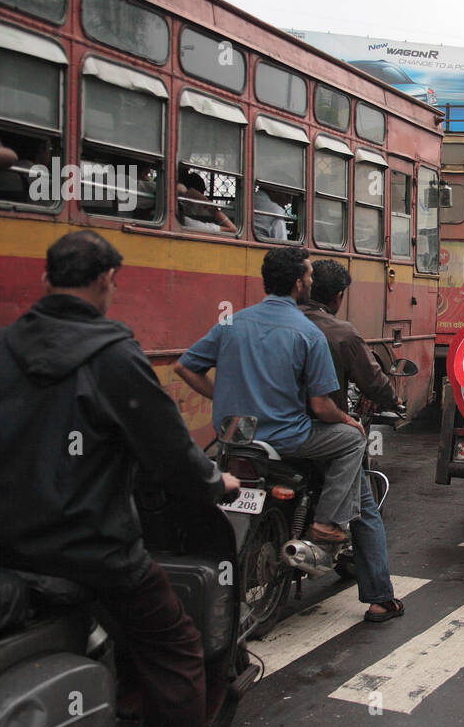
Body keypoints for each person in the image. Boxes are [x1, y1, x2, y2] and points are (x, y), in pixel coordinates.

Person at [0, 230, 241, 727]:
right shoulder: (114, 353)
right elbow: (168, 450)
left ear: (47, 279)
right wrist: (215, 481)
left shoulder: (1, 345)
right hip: (89, 547)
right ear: (108, 280)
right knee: (177, 645)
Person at [174, 247, 365, 545]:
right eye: (309, 276)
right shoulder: (308, 333)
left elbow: (184, 367)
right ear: (298, 284)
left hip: (233, 435)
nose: (311, 283)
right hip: (284, 438)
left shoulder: (232, 323)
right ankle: (327, 522)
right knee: (353, 440)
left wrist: (221, 396)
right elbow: (321, 406)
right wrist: (347, 419)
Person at [299, 259, 406, 622]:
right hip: (317, 432)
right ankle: (379, 598)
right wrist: (395, 400)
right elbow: (373, 382)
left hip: (264, 430)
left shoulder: (275, 322)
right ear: (338, 296)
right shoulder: (341, 333)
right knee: (365, 510)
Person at [177, 166, 236, 233]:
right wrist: (204, 200)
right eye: (202, 192)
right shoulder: (187, 222)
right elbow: (232, 229)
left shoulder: (181, 218)